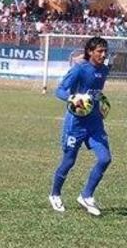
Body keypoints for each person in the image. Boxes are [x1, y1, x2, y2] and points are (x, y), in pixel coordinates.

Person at [48, 37, 111, 216]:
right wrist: (73, 99)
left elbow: (96, 93)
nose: (103, 54)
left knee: (105, 158)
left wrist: (102, 102)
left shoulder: (104, 70)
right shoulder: (79, 70)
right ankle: (55, 194)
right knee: (69, 161)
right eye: (100, 51)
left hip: (95, 123)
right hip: (76, 123)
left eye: (105, 51)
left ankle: (86, 195)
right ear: (90, 52)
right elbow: (59, 90)